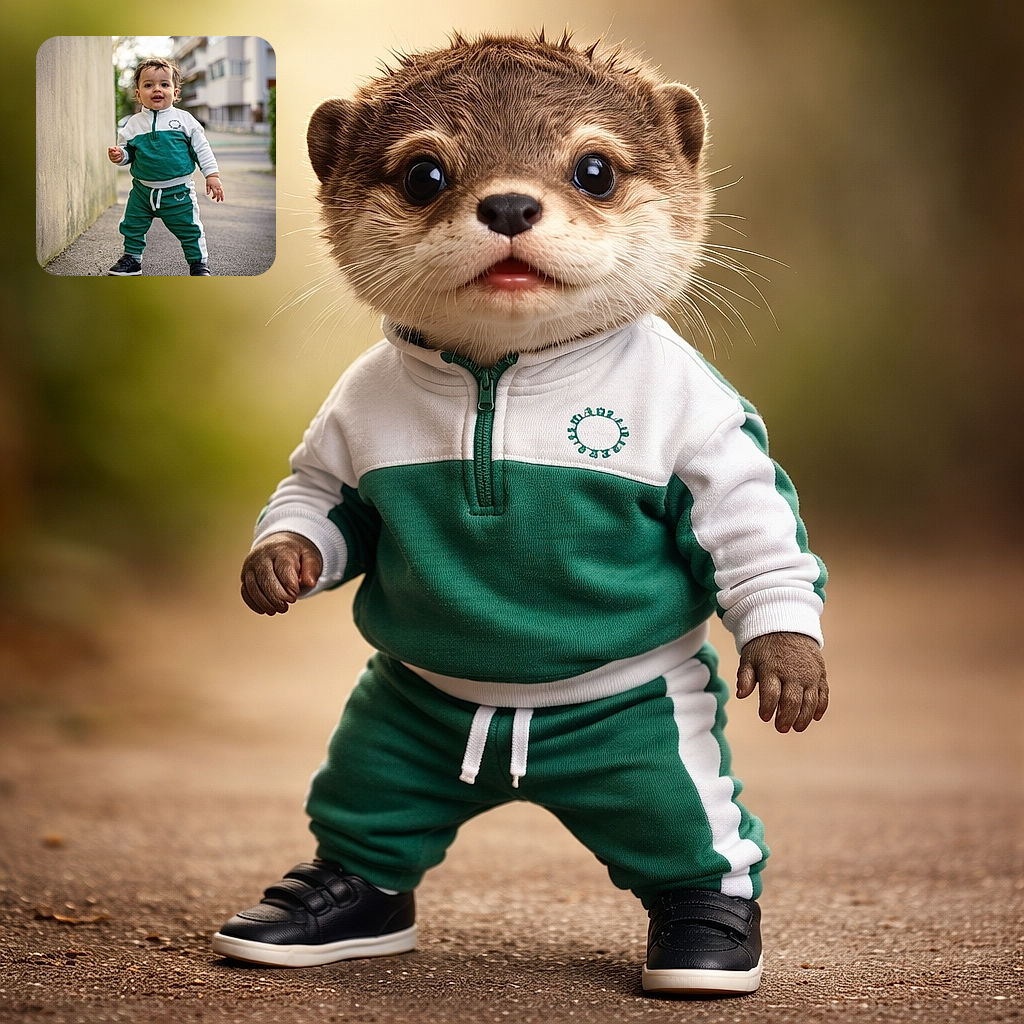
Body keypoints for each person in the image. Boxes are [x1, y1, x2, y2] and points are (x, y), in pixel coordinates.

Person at [106, 57, 224, 276]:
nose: (157, 89)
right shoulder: (133, 124)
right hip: (142, 191)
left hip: (178, 192)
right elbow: (129, 152)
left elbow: (202, 149)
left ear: (175, 93)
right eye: (149, 85)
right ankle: (132, 258)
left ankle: (198, 263)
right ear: (139, 94)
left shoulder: (185, 121)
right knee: (132, 224)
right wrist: (120, 155)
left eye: (164, 84)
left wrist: (212, 175)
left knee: (190, 229)